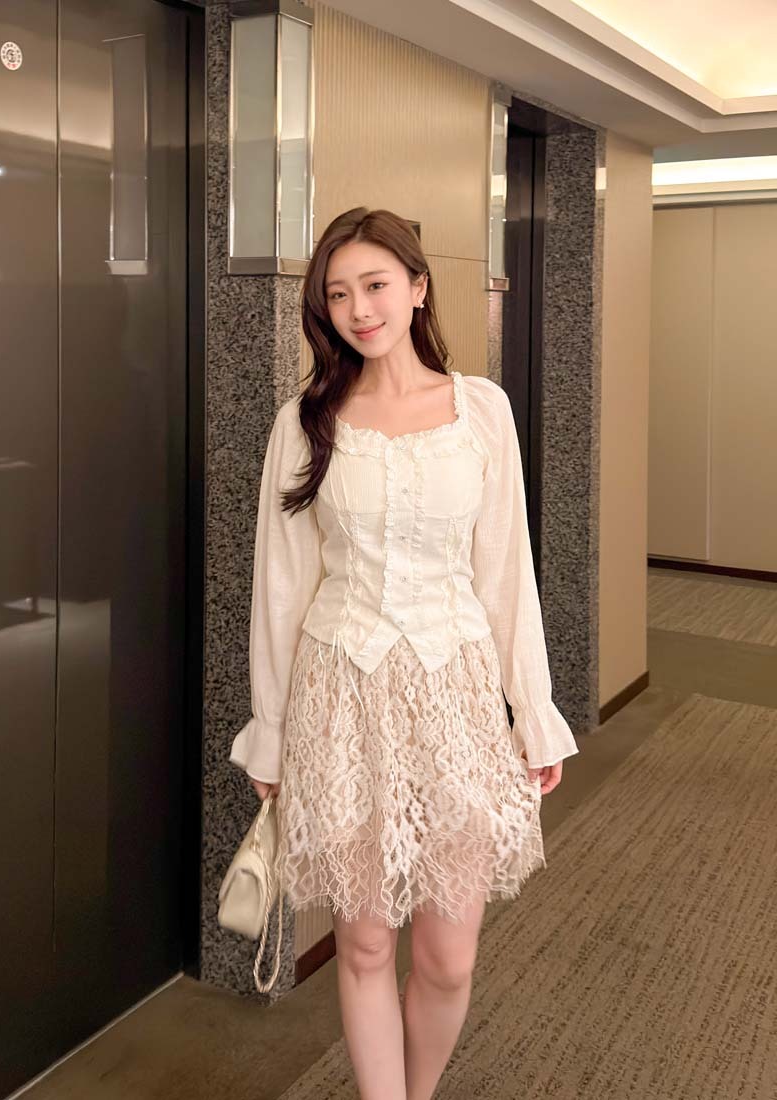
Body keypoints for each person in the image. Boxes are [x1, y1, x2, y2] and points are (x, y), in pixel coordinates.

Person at [229, 206, 579, 1100]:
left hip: (456, 697)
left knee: (448, 957)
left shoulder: (481, 411)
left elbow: (506, 573)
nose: (359, 309)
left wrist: (533, 711)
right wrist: (271, 733)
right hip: (339, 698)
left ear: (418, 288)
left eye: (376, 285)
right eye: (339, 293)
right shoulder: (306, 421)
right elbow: (281, 589)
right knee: (365, 944)